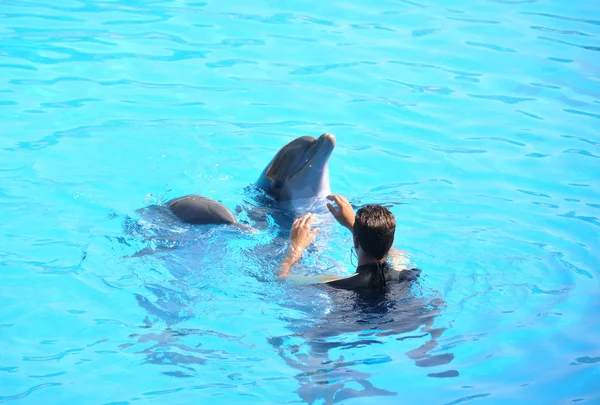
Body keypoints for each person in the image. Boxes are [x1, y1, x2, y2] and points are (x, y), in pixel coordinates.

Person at [278, 194, 421, 289]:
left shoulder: (337, 284)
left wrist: (295, 248)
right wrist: (354, 226)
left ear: (356, 241)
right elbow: (394, 253)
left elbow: (282, 279)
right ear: (391, 240)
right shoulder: (408, 275)